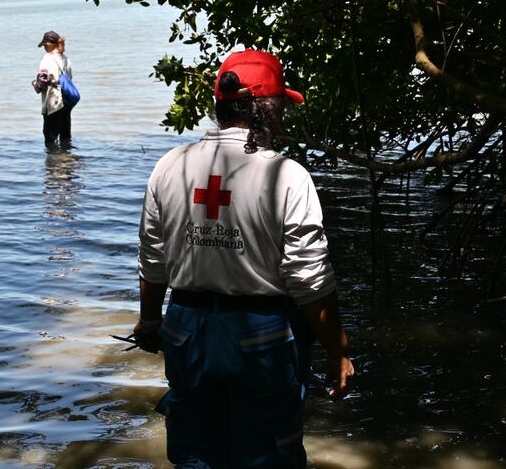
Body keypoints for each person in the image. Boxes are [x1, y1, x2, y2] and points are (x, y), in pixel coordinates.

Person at [130, 49, 354, 468]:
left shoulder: (169, 166)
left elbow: (153, 258)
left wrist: (150, 321)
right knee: (266, 455)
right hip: (261, 338)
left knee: (195, 454)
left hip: (186, 332)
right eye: (282, 104)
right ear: (266, 109)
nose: (284, 114)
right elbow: (309, 280)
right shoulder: (286, 174)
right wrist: (337, 351)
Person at [34, 30, 73, 148]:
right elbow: (70, 78)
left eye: (44, 46)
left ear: (48, 45)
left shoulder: (46, 59)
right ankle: (67, 163)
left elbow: (41, 83)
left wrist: (35, 84)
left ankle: (53, 165)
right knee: (65, 137)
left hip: (53, 104)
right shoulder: (65, 59)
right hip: (66, 101)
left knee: (50, 138)